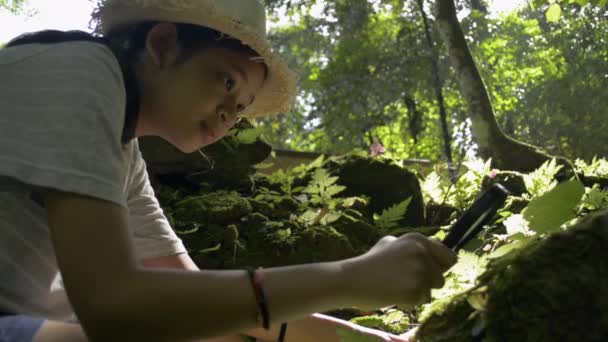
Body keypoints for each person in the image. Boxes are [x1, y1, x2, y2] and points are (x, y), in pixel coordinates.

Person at [0, 0, 457, 341]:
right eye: (227, 81)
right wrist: (350, 278)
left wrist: (373, 339)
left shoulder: (124, 154)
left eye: (240, 110)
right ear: (162, 44)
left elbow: (195, 296)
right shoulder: (81, 71)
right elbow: (114, 307)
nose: (228, 115)